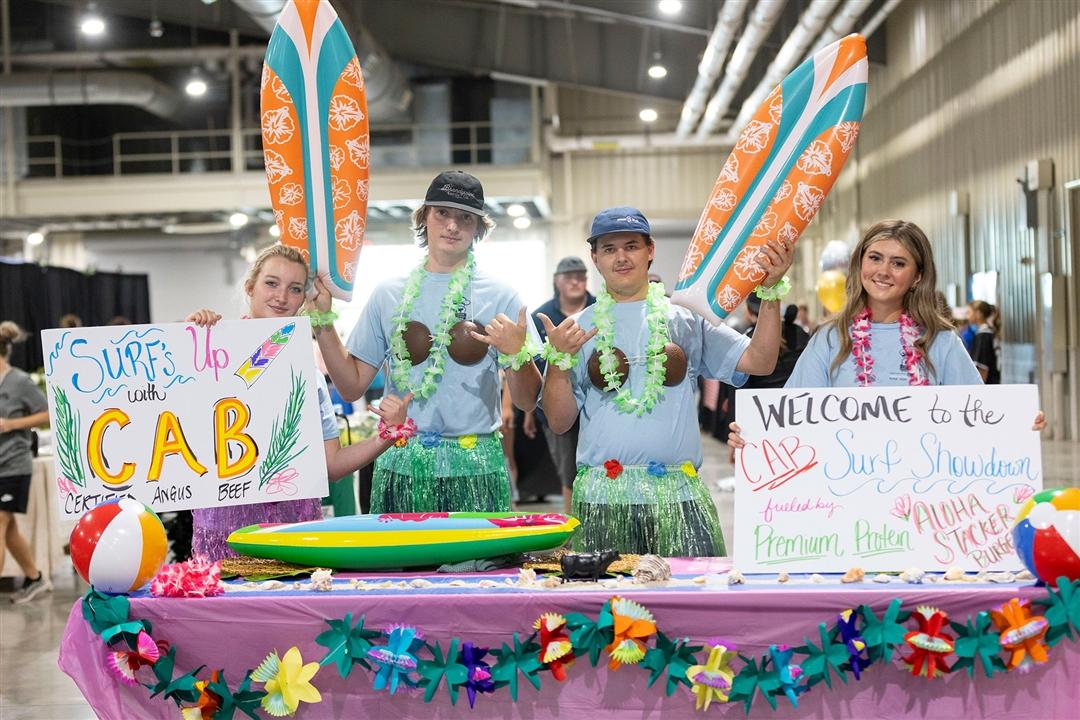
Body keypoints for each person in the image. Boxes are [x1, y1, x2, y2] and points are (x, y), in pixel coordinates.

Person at [540, 206, 795, 557]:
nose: (621, 257)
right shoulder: (577, 330)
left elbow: (761, 361)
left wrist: (770, 293)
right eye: (609, 249)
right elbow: (559, 421)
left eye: (631, 246)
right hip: (604, 499)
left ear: (650, 250)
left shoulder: (686, 318)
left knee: (690, 606)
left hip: (680, 496)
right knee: (604, 609)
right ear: (595, 258)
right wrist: (557, 361)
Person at [312, 170, 542, 513]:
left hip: (475, 467)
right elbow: (351, 387)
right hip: (402, 464)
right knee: (402, 568)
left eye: (465, 217)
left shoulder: (501, 295)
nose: (452, 226)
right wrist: (322, 321)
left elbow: (525, 401)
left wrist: (518, 353)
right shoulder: (389, 292)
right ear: (424, 217)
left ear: (479, 227)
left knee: (478, 568)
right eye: (442, 213)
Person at [728, 220, 1045, 450]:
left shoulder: (941, 342)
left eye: (898, 263)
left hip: (925, 502)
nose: (883, 271)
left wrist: (1019, 426)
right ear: (860, 263)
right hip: (841, 500)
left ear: (917, 276)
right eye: (875, 258)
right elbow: (790, 417)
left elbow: (980, 420)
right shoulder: (829, 339)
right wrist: (755, 437)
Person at [184, 244, 412, 560]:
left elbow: (331, 467)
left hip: (292, 533)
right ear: (250, 287)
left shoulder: (307, 372)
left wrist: (388, 436)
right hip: (225, 533)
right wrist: (188, 341)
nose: (281, 296)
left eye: (294, 289)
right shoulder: (208, 355)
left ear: (303, 300)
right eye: (271, 283)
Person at [523, 256, 595, 513]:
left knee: (598, 467)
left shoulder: (600, 312)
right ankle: (573, 527)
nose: (576, 281)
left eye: (581, 275)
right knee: (568, 470)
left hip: (595, 404)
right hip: (553, 405)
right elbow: (525, 364)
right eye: (569, 276)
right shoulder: (542, 317)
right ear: (557, 281)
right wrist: (529, 411)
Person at [0, 322, 51, 604]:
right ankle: (34, 578)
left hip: (14, 465)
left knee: (0, 522)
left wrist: (11, 424)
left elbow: (48, 412)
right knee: (8, 531)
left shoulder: (18, 381)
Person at [968, 300, 1000, 384]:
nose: (967, 316)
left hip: (988, 385)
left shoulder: (984, 335)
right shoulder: (983, 333)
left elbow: (983, 368)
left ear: (978, 314)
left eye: (969, 312)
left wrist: (980, 390)